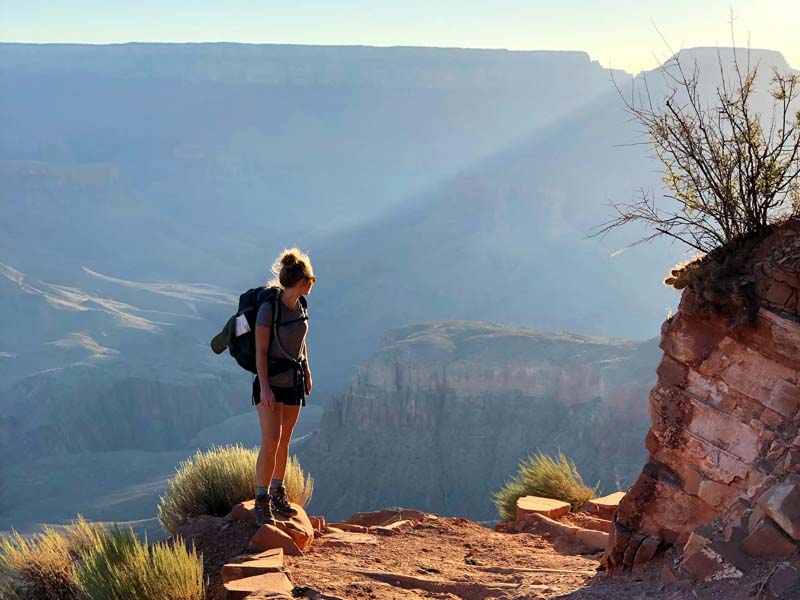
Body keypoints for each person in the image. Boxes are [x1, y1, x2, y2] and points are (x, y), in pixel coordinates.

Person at [253, 248, 315, 525]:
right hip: (270, 383)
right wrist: (264, 387)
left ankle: (279, 492)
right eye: (309, 281)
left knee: (285, 439)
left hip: (294, 381)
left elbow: (301, 342)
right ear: (300, 282)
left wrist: (307, 370)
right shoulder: (269, 309)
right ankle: (262, 499)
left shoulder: (301, 305)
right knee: (270, 442)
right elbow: (260, 352)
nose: (311, 286)